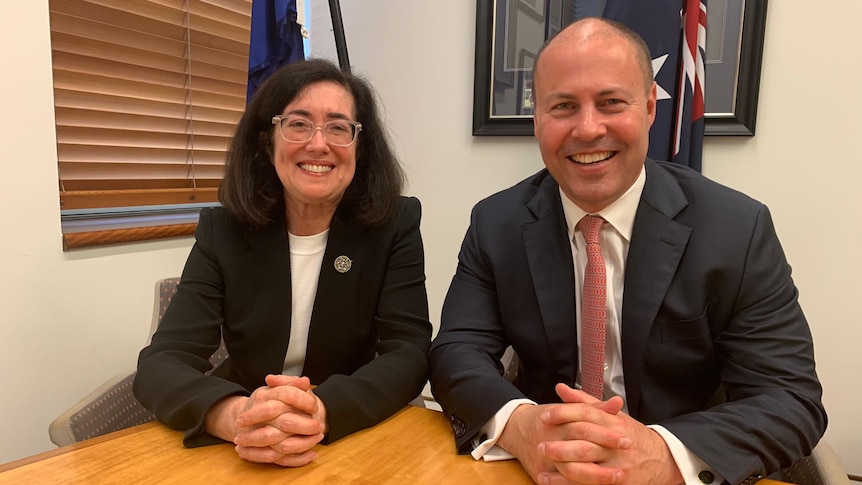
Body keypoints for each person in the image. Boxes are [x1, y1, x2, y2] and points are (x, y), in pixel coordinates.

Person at [429, 18, 826, 485]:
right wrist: (520, 426)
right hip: (546, 469)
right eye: (563, 106)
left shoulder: (737, 228)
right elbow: (456, 351)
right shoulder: (496, 223)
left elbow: (789, 397)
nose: (588, 128)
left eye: (611, 102)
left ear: (651, 109)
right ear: (537, 119)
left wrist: (660, 453)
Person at [134, 58, 432, 468]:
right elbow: (161, 363)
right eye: (298, 123)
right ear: (266, 141)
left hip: (347, 433)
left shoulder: (394, 225)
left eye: (339, 127)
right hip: (241, 442)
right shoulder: (222, 230)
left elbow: (409, 352)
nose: (318, 144)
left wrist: (321, 411)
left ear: (359, 148)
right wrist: (235, 416)